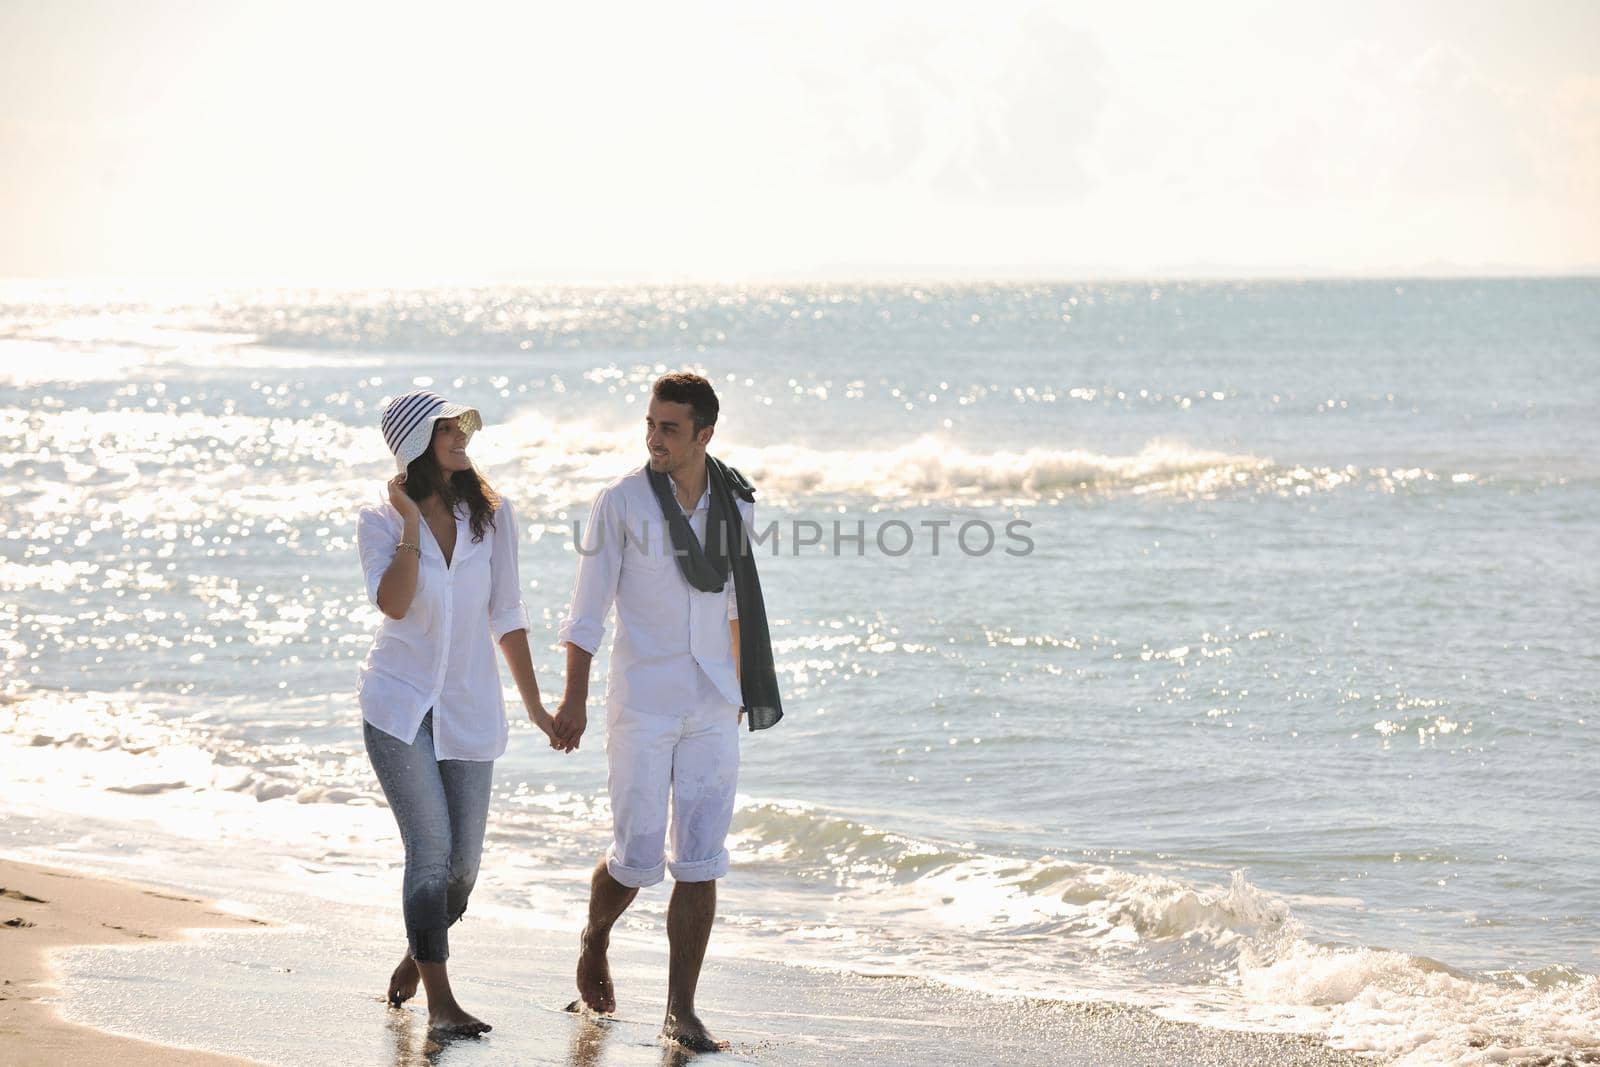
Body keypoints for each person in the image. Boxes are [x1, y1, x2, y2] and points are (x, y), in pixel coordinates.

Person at [552, 372, 782, 1053]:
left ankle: (681, 1009)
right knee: (636, 855)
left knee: (702, 858)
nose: (654, 437)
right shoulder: (620, 502)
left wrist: (742, 689)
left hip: (713, 702)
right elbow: (586, 612)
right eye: (650, 424)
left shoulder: (734, 502)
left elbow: (737, 604)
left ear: (704, 434)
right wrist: (573, 699)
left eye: (670, 427)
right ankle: (595, 936)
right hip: (643, 702)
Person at [356, 389, 564, 1037]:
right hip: (398, 706)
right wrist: (412, 524)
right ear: (418, 442)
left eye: (463, 425)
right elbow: (392, 604)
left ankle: (420, 957)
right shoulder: (379, 519)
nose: (462, 435)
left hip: (470, 706)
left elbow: (508, 612)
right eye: (447, 428)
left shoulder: (494, 517)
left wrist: (535, 704)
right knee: (430, 851)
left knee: (462, 871)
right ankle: (442, 1006)